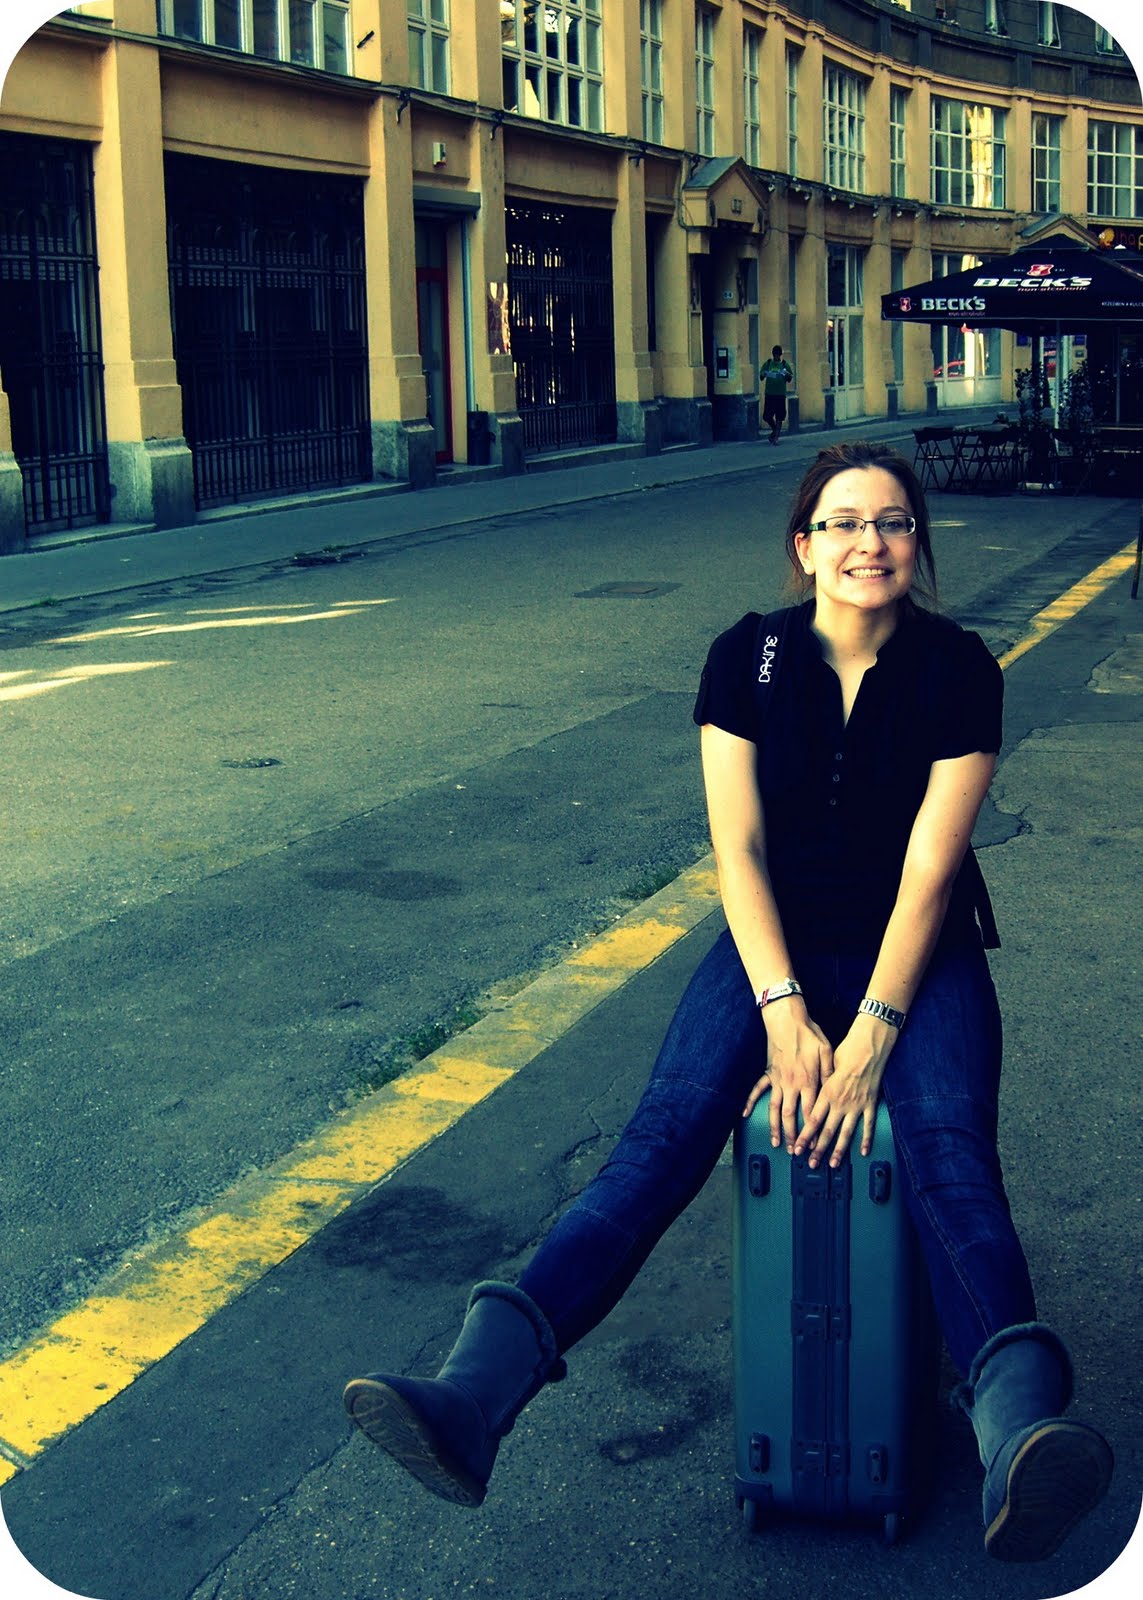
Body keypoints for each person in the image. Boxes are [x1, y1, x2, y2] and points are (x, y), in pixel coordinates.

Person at [343, 442, 1113, 1562]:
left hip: (918, 952)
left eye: (892, 522)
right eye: (843, 523)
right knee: (657, 1141)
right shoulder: (746, 658)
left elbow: (930, 871)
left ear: (917, 542)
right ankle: (470, 1401)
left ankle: (1018, 1437)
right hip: (773, 944)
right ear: (804, 545)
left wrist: (872, 1036)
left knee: (948, 1153)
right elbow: (738, 850)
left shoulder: (958, 668)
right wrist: (784, 1011)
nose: (868, 543)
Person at [760, 345, 794, 444]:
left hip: (780, 394)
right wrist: (763, 374)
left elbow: (789, 378)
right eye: (775, 355)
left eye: (778, 355)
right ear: (773, 354)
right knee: (767, 416)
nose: (776, 357)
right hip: (769, 394)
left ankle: (776, 437)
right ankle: (775, 429)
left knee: (779, 416)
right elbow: (761, 377)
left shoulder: (784, 365)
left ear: (780, 355)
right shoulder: (768, 364)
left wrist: (787, 374)